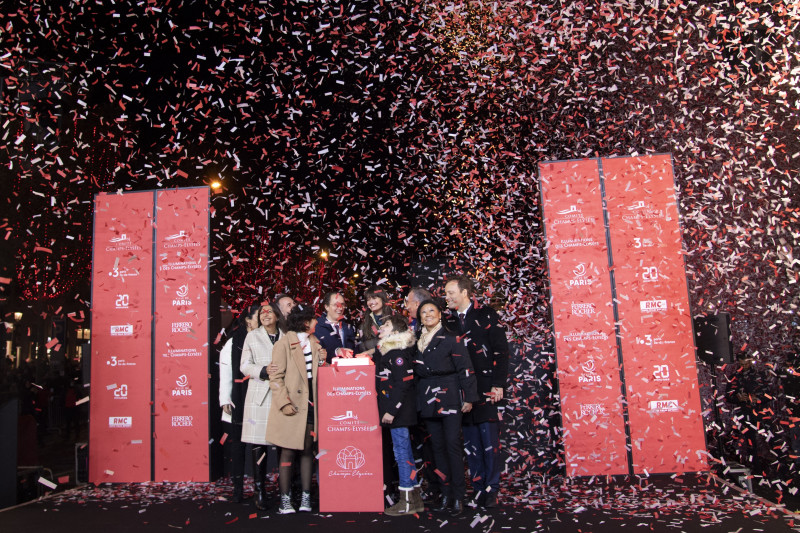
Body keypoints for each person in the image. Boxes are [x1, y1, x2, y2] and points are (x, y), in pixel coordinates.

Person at [444, 275, 509, 509]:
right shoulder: (447, 321)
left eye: (451, 292)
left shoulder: (486, 314)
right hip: (461, 391)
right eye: (446, 293)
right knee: (470, 443)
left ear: (464, 293)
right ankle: (479, 488)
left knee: (488, 441)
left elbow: (501, 351)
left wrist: (498, 384)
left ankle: (492, 489)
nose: (447, 297)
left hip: (487, 389)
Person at [414, 299, 478, 517]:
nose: (427, 314)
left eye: (431, 310)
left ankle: (459, 496)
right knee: (437, 449)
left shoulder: (452, 338)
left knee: (452, 446)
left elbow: (465, 368)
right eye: (423, 312)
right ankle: (445, 494)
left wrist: (468, 398)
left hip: (449, 395)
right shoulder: (415, 340)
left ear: (440, 314)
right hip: (426, 396)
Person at [267, 304, 325, 514]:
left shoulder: (315, 343)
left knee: (308, 450)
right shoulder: (283, 344)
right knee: (288, 452)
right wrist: (284, 402)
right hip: (291, 405)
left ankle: (306, 498)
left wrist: (324, 358)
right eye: (313, 319)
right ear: (305, 322)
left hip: (310, 406)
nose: (317, 322)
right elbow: (275, 377)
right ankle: (285, 499)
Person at [375, 315, 423, 516]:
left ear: (395, 332)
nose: (381, 327)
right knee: (405, 453)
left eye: (386, 325)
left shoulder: (397, 354)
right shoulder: (390, 352)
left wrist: (391, 411)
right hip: (397, 414)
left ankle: (406, 502)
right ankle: (415, 499)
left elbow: (403, 385)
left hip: (399, 414)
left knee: (402, 454)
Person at [240, 302, 283, 510]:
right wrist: (263, 370)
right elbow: (244, 365)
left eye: (269, 312)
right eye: (262, 313)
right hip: (260, 396)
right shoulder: (252, 336)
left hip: (283, 395)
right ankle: (260, 491)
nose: (265, 315)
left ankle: (286, 491)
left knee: (286, 444)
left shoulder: (287, 336)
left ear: (277, 315)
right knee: (259, 446)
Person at [219, 303, 259, 503]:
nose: (262, 319)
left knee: (258, 446)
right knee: (237, 446)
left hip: (259, 399)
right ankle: (237, 491)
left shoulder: (266, 340)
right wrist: (225, 398)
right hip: (237, 399)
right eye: (258, 316)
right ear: (248, 320)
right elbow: (225, 371)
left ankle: (260, 490)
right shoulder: (234, 341)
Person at [314, 291, 356, 363]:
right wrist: (336, 352)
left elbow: (353, 349)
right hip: (327, 371)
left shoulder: (348, 327)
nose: (340, 308)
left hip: (348, 370)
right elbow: (316, 353)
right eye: (336, 305)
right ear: (326, 307)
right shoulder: (317, 327)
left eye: (342, 304)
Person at [357, 286, 393, 356]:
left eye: (374, 298)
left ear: (382, 298)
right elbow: (362, 348)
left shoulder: (395, 319)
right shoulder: (363, 326)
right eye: (368, 300)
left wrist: (374, 350)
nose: (371, 302)